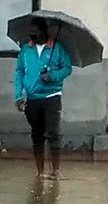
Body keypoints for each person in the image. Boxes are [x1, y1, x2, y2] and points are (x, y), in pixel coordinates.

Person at [13, 17, 72, 179]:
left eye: (35, 33)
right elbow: (19, 72)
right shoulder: (26, 50)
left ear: (43, 31)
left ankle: (55, 170)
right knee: (36, 134)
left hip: (52, 96)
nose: (32, 36)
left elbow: (67, 68)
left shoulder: (57, 48)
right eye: (30, 33)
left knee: (53, 133)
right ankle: (40, 172)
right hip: (32, 98)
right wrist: (19, 95)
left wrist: (52, 75)